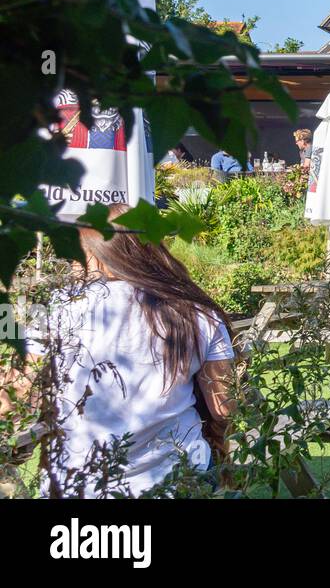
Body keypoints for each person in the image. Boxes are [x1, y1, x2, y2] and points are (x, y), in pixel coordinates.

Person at [12, 204, 236, 496]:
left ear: (96, 253)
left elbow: (21, 398)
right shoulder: (196, 312)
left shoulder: (56, 308)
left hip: (79, 485)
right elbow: (224, 408)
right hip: (181, 477)